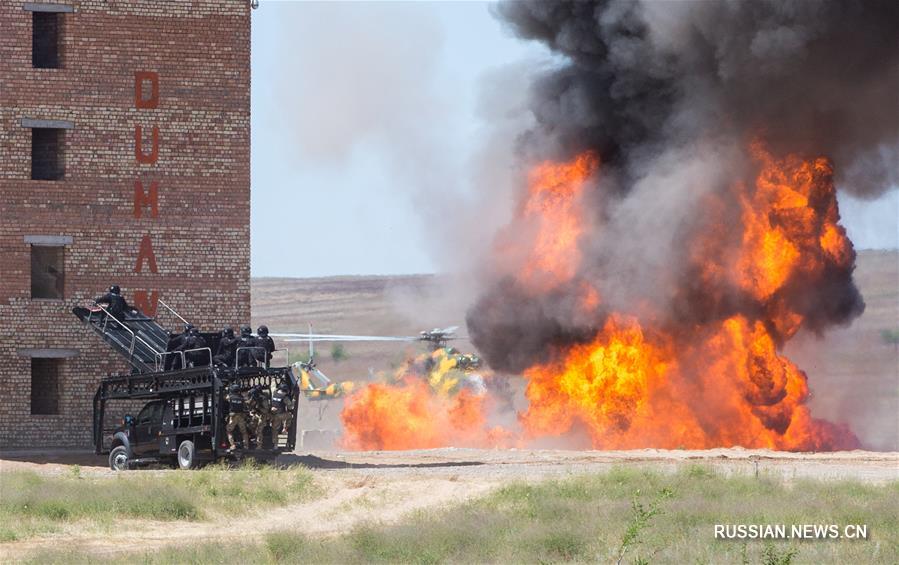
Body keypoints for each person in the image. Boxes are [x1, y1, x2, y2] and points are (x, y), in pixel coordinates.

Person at [225, 383, 249, 451]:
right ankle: (246, 446)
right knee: (244, 432)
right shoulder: (241, 398)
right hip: (241, 416)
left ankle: (232, 445)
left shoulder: (230, 397)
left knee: (229, 431)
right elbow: (245, 406)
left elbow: (224, 398)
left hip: (233, 416)